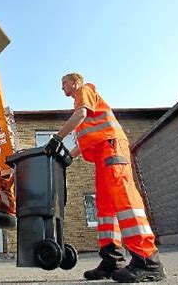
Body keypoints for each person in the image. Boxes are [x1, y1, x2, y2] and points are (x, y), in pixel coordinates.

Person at [47, 73, 166, 283]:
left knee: (124, 200)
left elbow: (81, 115)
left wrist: (57, 138)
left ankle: (147, 260)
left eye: (64, 83)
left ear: (75, 81)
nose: (62, 88)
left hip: (112, 149)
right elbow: (87, 139)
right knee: (106, 207)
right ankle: (112, 260)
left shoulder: (84, 91)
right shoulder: (81, 102)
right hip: (104, 154)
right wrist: (68, 157)